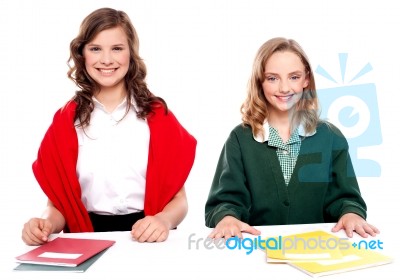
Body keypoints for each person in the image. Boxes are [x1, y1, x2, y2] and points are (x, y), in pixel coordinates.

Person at [22, 7, 196, 245]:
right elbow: (58, 205)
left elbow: (179, 199)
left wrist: (163, 220)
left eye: (117, 48)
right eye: (95, 49)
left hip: (148, 235)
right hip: (85, 236)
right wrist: (44, 224)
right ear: (82, 54)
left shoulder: (158, 117)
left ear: (130, 54)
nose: (106, 60)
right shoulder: (65, 121)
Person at [205, 37, 379, 240]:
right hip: (256, 251)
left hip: (317, 250)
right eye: (272, 78)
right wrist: (226, 217)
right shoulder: (240, 139)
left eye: (294, 77)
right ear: (259, 82)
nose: (284, 88)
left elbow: (346, 198)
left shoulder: (331, 137)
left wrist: (351, 213)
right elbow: (225, 200)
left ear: (306, 79)